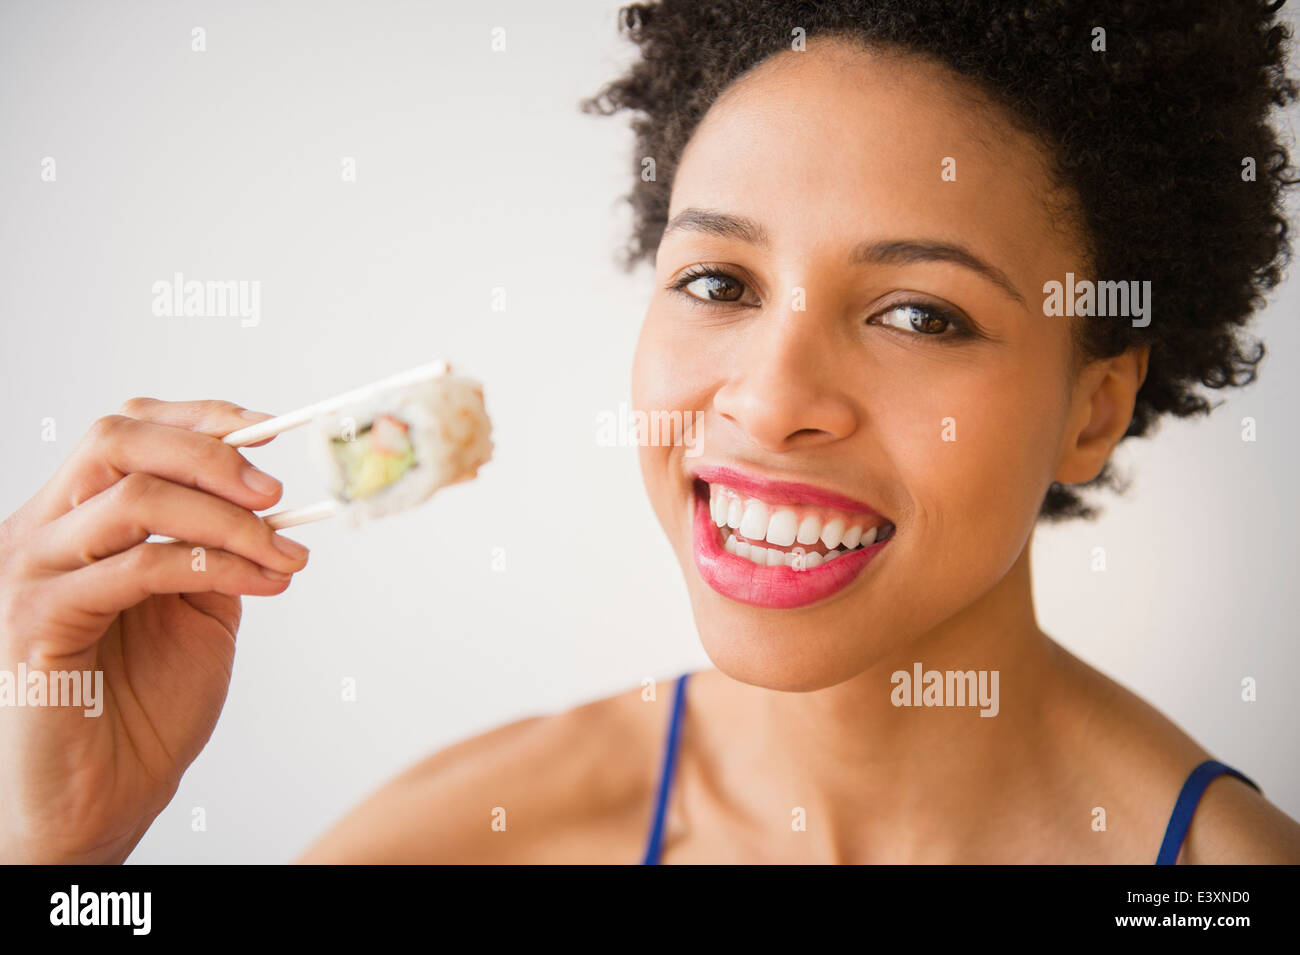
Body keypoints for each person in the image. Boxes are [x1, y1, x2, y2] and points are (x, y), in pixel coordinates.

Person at [4, 0, 1300, 864]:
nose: (768, 397)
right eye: (720, 284)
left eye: (918, 312)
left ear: (1096, 405)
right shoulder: (464, 846)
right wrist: (57, 850)